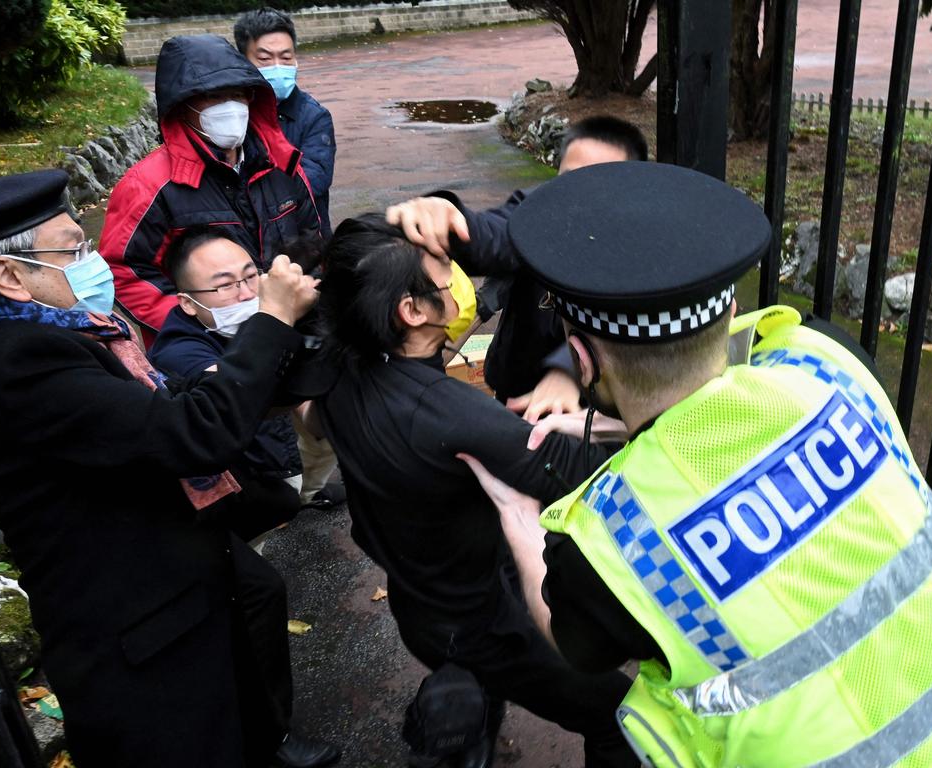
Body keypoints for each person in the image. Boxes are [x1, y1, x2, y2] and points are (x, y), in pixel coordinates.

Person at [460, 162, 932, 768]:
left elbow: (575, 645)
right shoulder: (827, 361)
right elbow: (743, 418)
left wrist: (517, 515)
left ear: (581, 361)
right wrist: (622, 425)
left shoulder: (613, 543)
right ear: (723, 313)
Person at [0, 170, 339, 768]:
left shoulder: (72, 335)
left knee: (252, 614)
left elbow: (159, 410)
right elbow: (192, 437)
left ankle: (269, 740)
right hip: (137, 635)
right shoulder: (23, 363)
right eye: (73, 249)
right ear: (9, 276)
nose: (93, 261)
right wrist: (271, 319)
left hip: (181, 582)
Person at [309, 214, 641, 768]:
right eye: (442, 268)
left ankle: (464, 724)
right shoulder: (453, 418)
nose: (456, 276)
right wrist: (615, 420)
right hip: (486, 620)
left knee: (474, 691)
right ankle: (459, 722)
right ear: (411, 311)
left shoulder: (338, 367)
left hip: (422, 598)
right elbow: (586, 469)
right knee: (619, 716)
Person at [386, 116, 648, 421]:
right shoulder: (540, 214)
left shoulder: (643, 248)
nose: (576, 198)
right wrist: (446, 216)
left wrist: (568, 369)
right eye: (567, 181)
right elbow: (496, 234)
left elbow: (635, 319)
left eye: (597, 185)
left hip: (593, 408)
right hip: (512, 391)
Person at [100, 33, 322, 347]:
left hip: (288, 326)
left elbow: (311, 238)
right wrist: (194, 325)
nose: (230, 106)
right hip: (208, 349)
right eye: (212, 96)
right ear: (182, 105)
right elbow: (122, 270)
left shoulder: (280, 163)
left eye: (237, 94)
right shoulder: (148, 185)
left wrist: (302, 301)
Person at [150, 226, 311, 546]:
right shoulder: (178, 353)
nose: (248, 294)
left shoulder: (265, 309)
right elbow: (244, 395)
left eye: (251, 276)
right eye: (225, 285)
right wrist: (280, 319)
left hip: (284, 450)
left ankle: (307, 493)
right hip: (239, 485)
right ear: (188, 303)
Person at [235, 7, 337, 237]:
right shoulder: (234, 115)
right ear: (243, 61)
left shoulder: (313, 117)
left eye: (286, 57)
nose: (277, 66)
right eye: (264, 59)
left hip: (305, 241)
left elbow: (314, 181)